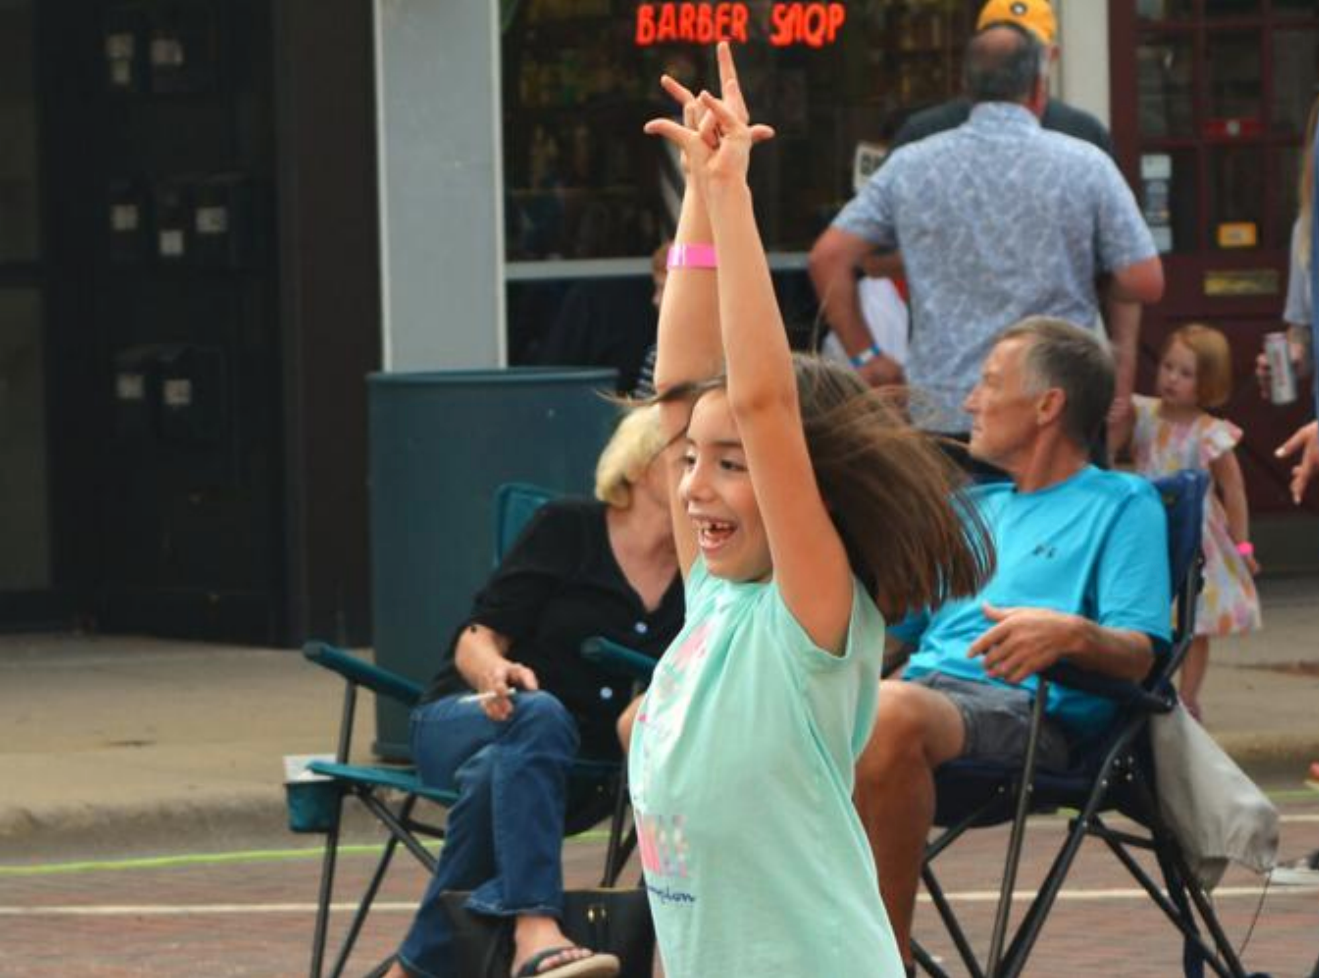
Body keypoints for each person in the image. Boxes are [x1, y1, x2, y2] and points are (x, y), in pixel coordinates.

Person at [630, 42, 992, 978]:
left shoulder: (810, 618)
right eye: (690, 462)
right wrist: (700, 205)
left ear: (802, 487)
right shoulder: (714, 598)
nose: (694, 483)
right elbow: (682, 389)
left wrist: (736, 194)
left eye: (732, 467)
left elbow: (761, 401)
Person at [853, 318, 1172, 974]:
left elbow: (1141, 652)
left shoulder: (1122, 502)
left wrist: (1071, 633)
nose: (971, 400)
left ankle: (878, 963)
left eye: (990, 383)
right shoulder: (975, 508)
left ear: (1048, 405)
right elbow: (889, 632)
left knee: (885, 714)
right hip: (918, 696)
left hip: (1032, 711)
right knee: (731, 714)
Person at [383, 405, 684, 978]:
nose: (703, 478)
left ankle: (413, 970)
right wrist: (495, 672)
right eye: (687, 459)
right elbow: (477, 638)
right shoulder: (568, 528)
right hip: (470, 717)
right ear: (643, 467)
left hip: (573, 771)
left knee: (495, 776)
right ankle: (534, 925)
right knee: (538, 715)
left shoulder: (702, 571)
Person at [807, 21, 1163, 461]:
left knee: (956, 530)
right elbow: (1145, 281)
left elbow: (828, 257)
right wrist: (1084, 274)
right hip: (1056, 404)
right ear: (1038, 87)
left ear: (966, 87)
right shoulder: (1085, 164)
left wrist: (868, 358)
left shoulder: (913, 164)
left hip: (947, 409)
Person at [1123, 324, 1261, 721]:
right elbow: (1114, 443)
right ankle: (1148, 685)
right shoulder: (1143, 413)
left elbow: (1233, 491)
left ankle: (1188, 698)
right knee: (1149, 614)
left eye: (1186, 374)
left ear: (1208, 383)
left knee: (1193, 623)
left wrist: (1243, 545)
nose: (1171, 379)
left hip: (1198, 538)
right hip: (1149, 530)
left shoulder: (1210, 434)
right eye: (1168, 367)